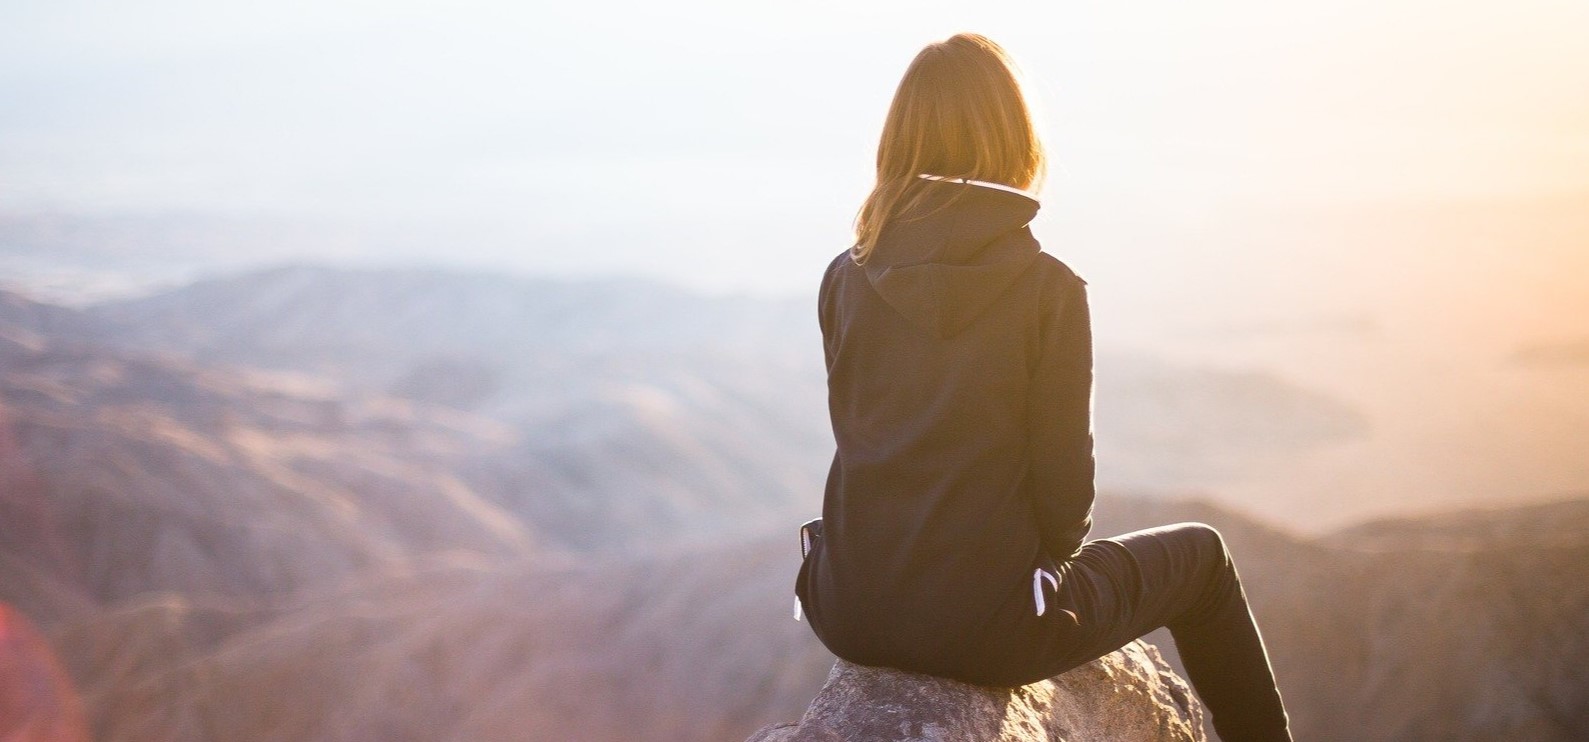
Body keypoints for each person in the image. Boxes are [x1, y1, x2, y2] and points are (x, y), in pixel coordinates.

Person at [793, 33, 1293, 741]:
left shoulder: (844, 276)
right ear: (1012, 138)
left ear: (898, 142)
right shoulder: (1046, 291)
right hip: (991, 633)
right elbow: (1065, 510)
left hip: (846, 612)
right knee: (1202, 558)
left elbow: (869, 442)